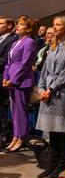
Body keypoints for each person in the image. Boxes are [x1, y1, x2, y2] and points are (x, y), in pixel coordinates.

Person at [35, 16, 65, 178]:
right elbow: (44, 71)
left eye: (58, 25)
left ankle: (62, 164)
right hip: (47, 93)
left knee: (62, 131)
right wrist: (41, 89)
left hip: (61, 93)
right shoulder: (52, 46)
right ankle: (52, 164)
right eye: (53, 25)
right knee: (51, 130)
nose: (54, 27)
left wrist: (51, 89)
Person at [3, 16, 37, 152]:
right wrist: (5, 77)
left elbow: (25, 64)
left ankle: (21, 138)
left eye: (21, 25)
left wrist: (13, 80)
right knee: (14, 111)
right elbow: (9, 62)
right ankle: (15, 137)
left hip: (21, 81)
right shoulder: (15, 42)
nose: (17, 26)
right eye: (17, 24)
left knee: (21, 112)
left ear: (28, 28)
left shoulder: (30, 42)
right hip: (11, 81)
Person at [0, 17, 18, 148]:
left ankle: (5, 137)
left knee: (3, 109)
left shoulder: (12, 39)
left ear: (10, 26)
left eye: (1, 23)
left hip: (3, 78)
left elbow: (5, 60)